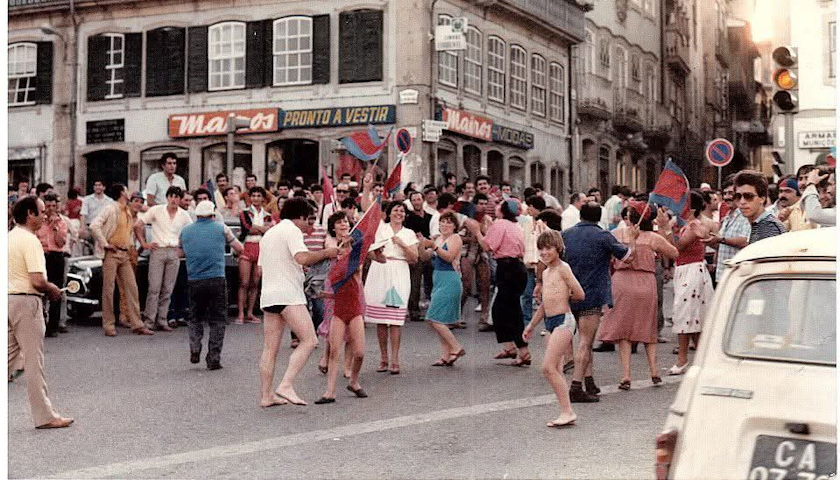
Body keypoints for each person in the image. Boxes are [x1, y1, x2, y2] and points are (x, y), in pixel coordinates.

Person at [258, 197, 339, 407]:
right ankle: (286, 384)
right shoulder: (291, 230)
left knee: (270, 349)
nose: (308, 225)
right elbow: (302, 257)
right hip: (288, 294)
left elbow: (262, 268)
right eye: (308, 219)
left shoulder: (269, 233)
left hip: (268, 294)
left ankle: (266, 396)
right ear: (300, 216)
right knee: (310, 340)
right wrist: (327, 253)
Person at [8, 196, 74, 430]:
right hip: (26, 303)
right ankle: (45, 416)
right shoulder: (31, 241)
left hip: (7, 300)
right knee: (34, 362)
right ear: (30, 214)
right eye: (41, 212)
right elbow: (37, 280)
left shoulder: (9, 238)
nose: (45, 215)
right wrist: (53, 289)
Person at [561, 201, 637, 402]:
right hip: (592, 293)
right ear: (598, 217)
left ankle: (589, 380)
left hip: (569, 293)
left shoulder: (566, 234)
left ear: (581, 215)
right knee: (586, 342)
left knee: (584, 340)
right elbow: (628, 257)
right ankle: (576, 386)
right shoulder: (603, 235)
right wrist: (633, 240)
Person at [597, 203, 678, 389]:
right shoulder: (653, 238)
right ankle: (654, 371)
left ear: (629, 217)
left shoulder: (618, 234)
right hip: (646, 282)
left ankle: (626, 375)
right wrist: (665, 231)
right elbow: (674, 252)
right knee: (648, 328)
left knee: (624, 332)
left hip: (622, 282)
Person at [523, 230, 585, 428]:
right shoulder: (546, 272)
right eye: (541, 249)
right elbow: (543, 304)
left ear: (558, 248)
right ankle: (564, 410)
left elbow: (580, 293)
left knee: (548, 367)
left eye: (548, 248)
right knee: (556, 369)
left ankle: (568, 411)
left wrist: (564, 297)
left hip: (564, 321)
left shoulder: (562, 268)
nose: (544, 252)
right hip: (550, 322)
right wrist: (532, 325)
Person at [180, 201, 244, 370]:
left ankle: (195, 347)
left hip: (194, 279)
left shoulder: (186, 231)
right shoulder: (221, 228)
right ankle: (213, 357)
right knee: (217, 319)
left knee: (195, 317)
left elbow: (180, 251)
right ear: (212, 215)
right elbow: (239, 247)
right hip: (216, 278)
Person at [466, 199, 530, 366]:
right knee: (505, 308)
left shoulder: (500, 224)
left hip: (507, 268)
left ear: (503, 209)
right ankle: (511, 347)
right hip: (516, 267)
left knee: (508, 310)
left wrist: (477, 231)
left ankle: (522, 350)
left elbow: (487, 246)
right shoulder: (513, 225)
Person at [314, 212, 368, 404]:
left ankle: (354, 381)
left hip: (354, 309)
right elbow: (332, 289)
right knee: (335, 350)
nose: (344, 249)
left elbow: (362, 247)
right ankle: (330, 391)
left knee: (359, 352)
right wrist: (322, 295)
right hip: (338, 310)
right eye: (342, 247)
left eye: (347, 247)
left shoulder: (354, 262)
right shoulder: (333, 263)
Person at [91, 185, 156, 337]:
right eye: (126, 190)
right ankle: (108, 325)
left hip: (125, 253)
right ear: (121, 193)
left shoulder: (127, 210)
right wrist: (105, 244)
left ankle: (137, 324)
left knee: (132, 288)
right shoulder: (110, 209)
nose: (128, 193)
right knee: (109, 289)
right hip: (111, 253)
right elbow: (94, 226)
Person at [365, 201, 419, 375]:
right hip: (380, 269)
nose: (399, 213)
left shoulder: (409, 233)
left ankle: (395, 359)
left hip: (399, 271)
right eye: (396, 210)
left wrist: (402, 244)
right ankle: (383, 358)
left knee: (395, 318)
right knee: (381, 318)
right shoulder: (381, 229)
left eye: (402, 211)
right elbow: (370, 252)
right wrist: (376, 253)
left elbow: (415, 258)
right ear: (389, 213)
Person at [669, 191, 715, 375]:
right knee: (691, 314)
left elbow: (678, 247)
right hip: (684, 270)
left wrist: (666, 229)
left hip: (692, 270)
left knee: (686, 313)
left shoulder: (694, 224)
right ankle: (699, 358)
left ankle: (683, 359)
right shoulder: (684, 224)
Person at [135, 186, 193, 331]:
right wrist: (144, 244)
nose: (174, 200)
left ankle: (162, 319)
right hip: (158, 250)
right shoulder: (156, 210)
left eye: (177, 197)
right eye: (171, 196)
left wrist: (182, 249)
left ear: (180, 199)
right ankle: (149, 320)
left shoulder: (184, 215)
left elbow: (190, 233)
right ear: (167, 197)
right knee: (154, 287)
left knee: (168, 288)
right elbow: (138, 224)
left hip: (173, 252)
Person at [418, 212, 466, 366]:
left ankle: (456, 347)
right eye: (442, 222)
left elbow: (449, 256)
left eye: (448, 222)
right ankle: (446, 355)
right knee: (441, 320)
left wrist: (434, 246)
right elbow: (425, 257)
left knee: (433, 318)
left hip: (450, 279)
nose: (444, 225)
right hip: (438, 279)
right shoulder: (438, 238)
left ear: (454, 226)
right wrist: (421, 244)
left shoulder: (455, 238)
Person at [237, 186, 274, 324]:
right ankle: (240, 313)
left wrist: (258, 228)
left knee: (255, 283)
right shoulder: (244, 212)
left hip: (261, 248)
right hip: (246, 247)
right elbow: (247, 228)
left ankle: (250, 313)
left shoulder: (267, 214)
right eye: (253, 196)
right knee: (244, 282)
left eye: (259, 196)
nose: (256, 198)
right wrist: (262, 229)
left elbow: (268, 231)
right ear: (249, 198)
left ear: (263, 198)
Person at [704, 178, 750, 284]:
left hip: (738, 276)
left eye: (730, 193)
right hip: (723, 274)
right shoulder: (728, 216)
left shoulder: (745, 215)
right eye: (724, 193)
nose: (726, 197)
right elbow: (721, 245)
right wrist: (708, 239)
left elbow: (745, 241)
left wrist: (721, 239)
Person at [36, 193, 68, 338]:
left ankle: (53, 326)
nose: (50, 209)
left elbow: (61, 243)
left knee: (56, 290)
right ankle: (40, 322)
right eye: (48, 206)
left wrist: (55, 228)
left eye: (53, 206)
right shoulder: (38, 223)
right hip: (42, 254)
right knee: (40, 289)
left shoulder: (61, 222)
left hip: (56, 256)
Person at [734, 171, 785, 244]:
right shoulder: (758, 224)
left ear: (762, 198)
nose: (742, 201)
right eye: (738, 196)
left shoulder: (769, 227)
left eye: (748, 196)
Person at [405, 191, 433, 323]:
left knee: (431, 281)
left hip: (430, 252)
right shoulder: (408, 219)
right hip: (415, 253)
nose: (416, 202)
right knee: (414, 283)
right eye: (414, 200)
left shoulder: (430, 217)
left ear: (423, 200)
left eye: (418, 199)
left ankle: (433, 309)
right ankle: (414, 311)